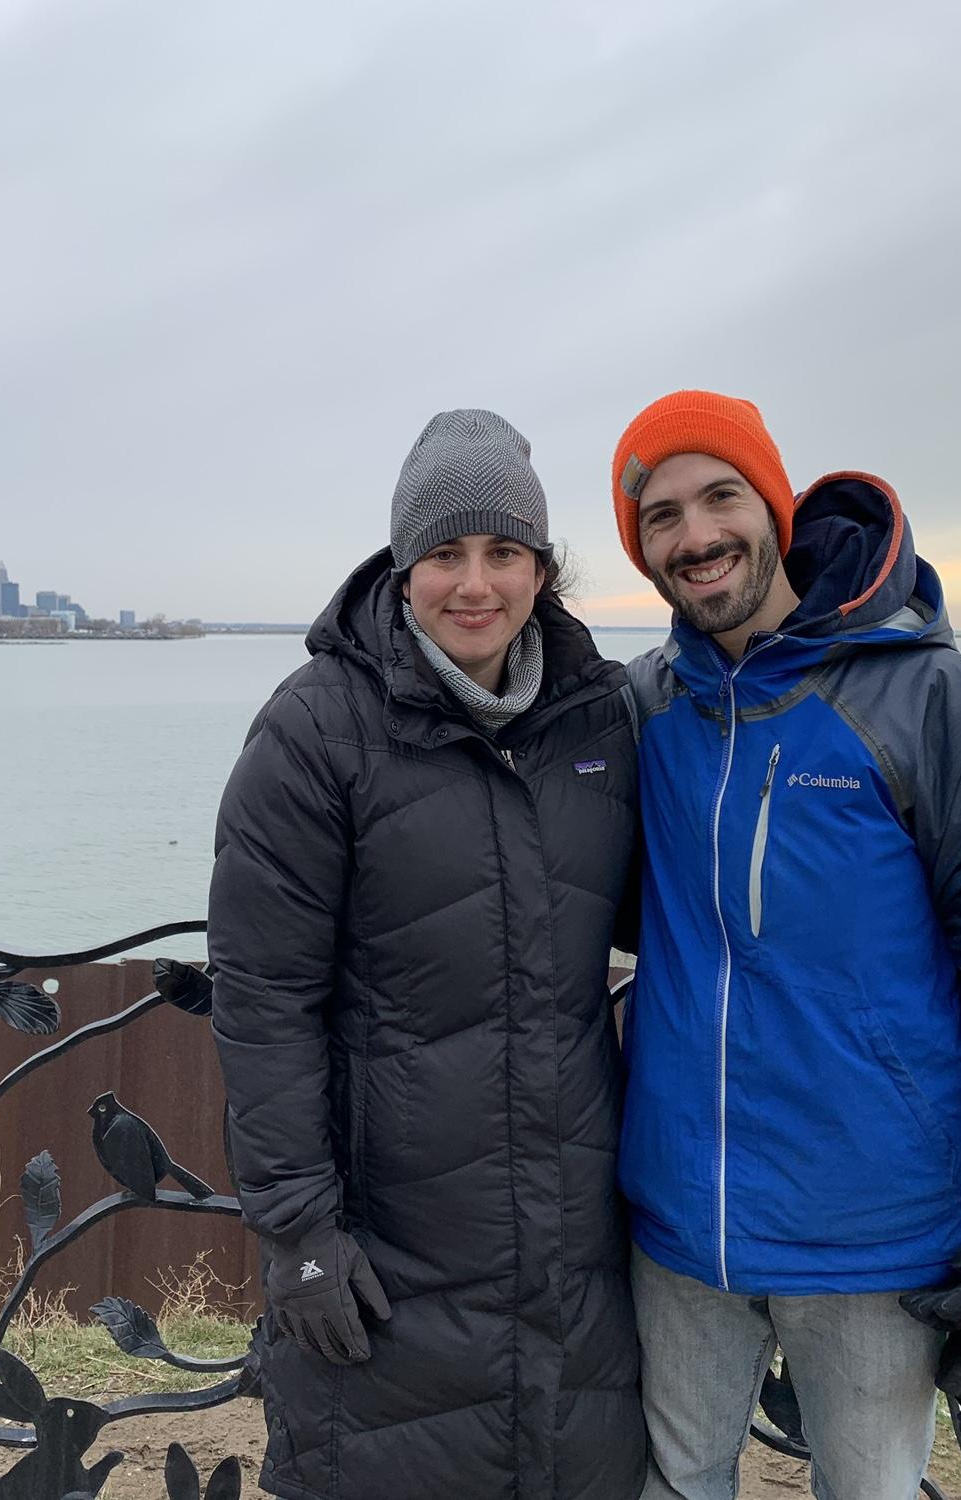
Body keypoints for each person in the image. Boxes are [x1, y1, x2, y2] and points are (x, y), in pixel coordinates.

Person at [209, 409, 646, 1500]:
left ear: (545, 571)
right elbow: (265, 1001)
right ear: (402, 568)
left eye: (505, 553)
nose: (475, 584)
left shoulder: (598, 722)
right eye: (446, 553)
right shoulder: (316, 731)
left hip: (570, 1247)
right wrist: (300, 1229)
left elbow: (675, 919)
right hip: (391, 1246)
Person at [608, 389, 961, 1500]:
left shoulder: (930, 697)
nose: (695, 537)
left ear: (775, 506)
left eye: (720, 497)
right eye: (661, 518)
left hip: (875, 1233)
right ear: (642, 551)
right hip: (681, 1223)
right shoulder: (644, 710)